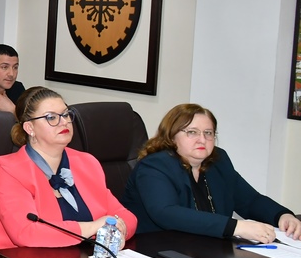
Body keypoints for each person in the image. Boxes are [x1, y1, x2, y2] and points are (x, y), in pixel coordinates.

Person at [0, 86, 137, 258]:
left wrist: (118, 232)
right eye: (51, 117)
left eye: (66, 114)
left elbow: (124, 215)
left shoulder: (87, 163)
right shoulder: (11, 170)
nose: (64, 122)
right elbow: (25, 233)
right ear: (30, 128)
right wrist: (93, 227)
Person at [122, 103, 301, 242]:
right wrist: (235, 227)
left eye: (208, 133)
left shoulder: (218, 161)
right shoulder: (155, 165)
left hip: (206, 249)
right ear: (171, 136)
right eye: (192, 132)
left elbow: (250, 200)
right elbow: (166, 213)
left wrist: (281, 215)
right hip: (156, 251)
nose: (202, 139)